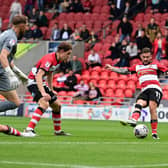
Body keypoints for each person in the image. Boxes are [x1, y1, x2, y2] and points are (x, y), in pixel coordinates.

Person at [105, 47, 168, 139]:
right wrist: (112, 68)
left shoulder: (156, 65)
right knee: (139, 104)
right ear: (140, 57)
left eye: (148, 57)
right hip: (145, 90)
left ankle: (154, 133)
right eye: (144, 57)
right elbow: (125, 71)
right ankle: (133, 120)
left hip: (155, 89)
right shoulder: (137, 67)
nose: (146, 59)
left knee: (152, 108)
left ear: (151, 57)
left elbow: (166, 70)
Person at [25, 42, 72, 136]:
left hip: (41, 81)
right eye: (68, 54)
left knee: (57, 105)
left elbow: (50, 74)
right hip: (33, 82)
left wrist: (51, 89)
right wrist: (43, 93)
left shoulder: (57, 60)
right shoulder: (49, 59)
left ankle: (57, 131)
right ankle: (29, 129)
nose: (68, 57)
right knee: (44, 102)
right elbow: (38, 75)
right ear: (62, 51)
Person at [0, 15, 31, 137]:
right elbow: (2, 56)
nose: (28, 28)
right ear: (21, 25)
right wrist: (9, 74)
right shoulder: (11, 38)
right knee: (15, 102)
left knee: (15, 101)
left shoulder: (6, 33)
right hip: (0, 73)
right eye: (27, 25)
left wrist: (17, 72)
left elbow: (8, 58)